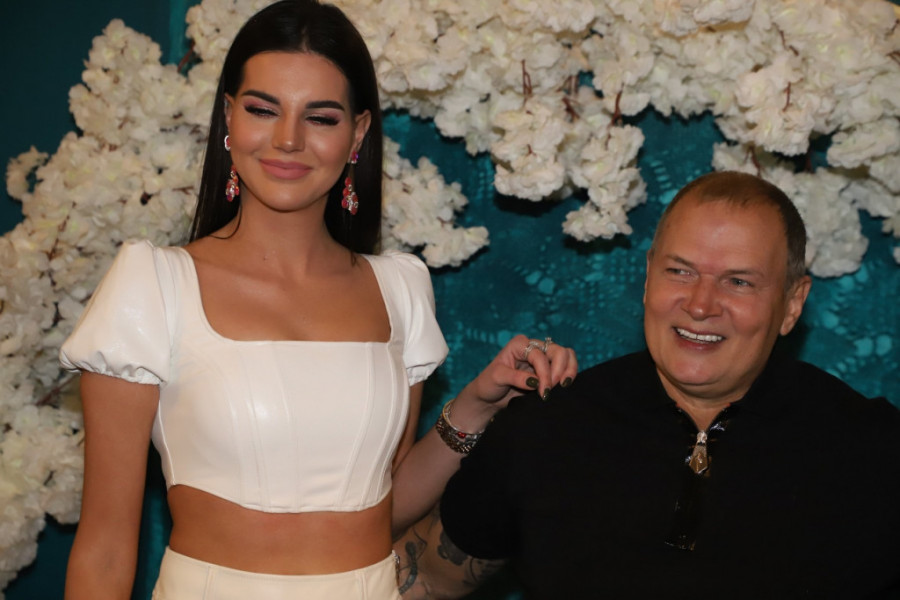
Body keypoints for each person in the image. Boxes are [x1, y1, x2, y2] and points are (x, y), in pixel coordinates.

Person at [58, 2, 577, 599]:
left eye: (321, 117)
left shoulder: (400, 289)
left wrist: (477, 406)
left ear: (357, 133)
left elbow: (383, 507)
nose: (288, 139)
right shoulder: (152, 285)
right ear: (228, 116)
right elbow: (104, 551)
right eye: (262, 109)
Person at [396, 171, 900, 599]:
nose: (700, 304)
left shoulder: (871, 448)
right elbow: (425, 580)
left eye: (738, 281)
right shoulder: (548, 427)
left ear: (792, 304)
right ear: (647, 277)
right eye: (680, 271)